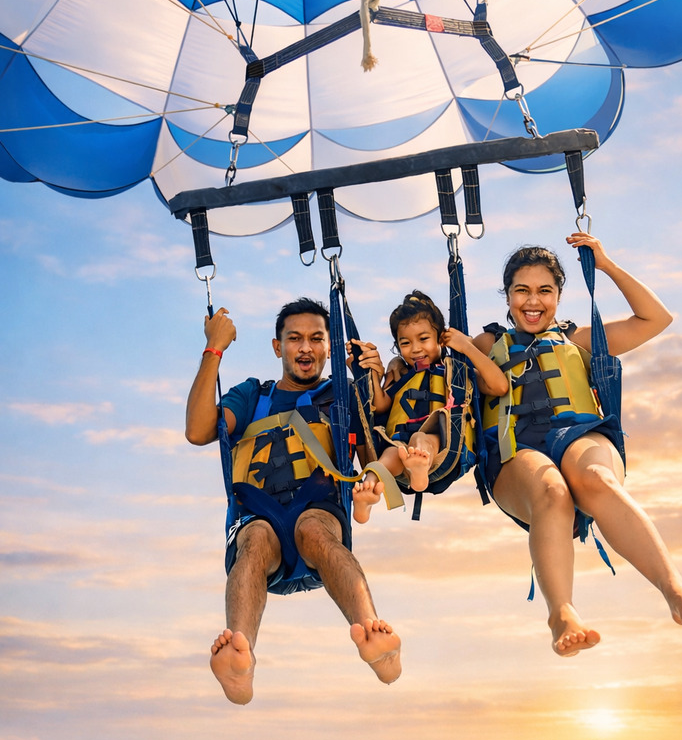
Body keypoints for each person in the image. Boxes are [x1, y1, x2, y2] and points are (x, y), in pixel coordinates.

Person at [475, 234, 682, 657]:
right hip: (516, 449)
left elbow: (655, 318)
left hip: (580, 435)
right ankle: (562, 613)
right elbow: (422, 357)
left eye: (544, 291)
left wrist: (604, 265)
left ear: (558, 295)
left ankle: (675, 587)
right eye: (522, 291)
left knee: (594, 479)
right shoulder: (483, 345)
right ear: (507, 295)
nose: (532, 301)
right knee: (552, 493)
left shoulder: (580, 339)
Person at [185, 297, 401, 704]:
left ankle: (374, 637)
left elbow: (377, 466)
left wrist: (372, 386)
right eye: (294, 339)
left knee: (312, 529)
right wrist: (214, 348)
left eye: (317, 338)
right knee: (257, 539)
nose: (306, 348)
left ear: (329, 346)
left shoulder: (342, 395)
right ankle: (239, 656)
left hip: (319, 508)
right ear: (277, 346)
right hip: (257, 513)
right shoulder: (252, 397)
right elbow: (198, 431)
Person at [351, 290, 507, 523]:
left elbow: (500, 387)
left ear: (440, 338)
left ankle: (420, 469)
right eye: (405, 343)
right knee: (388, 457)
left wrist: (467, 347)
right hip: (402, 447)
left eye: (423, 339)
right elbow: (382, 405)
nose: (415, 349)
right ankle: (369, 491)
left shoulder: (457, 371)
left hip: (443, 447)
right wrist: (370, 374)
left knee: (421, 440)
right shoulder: (401, 372)